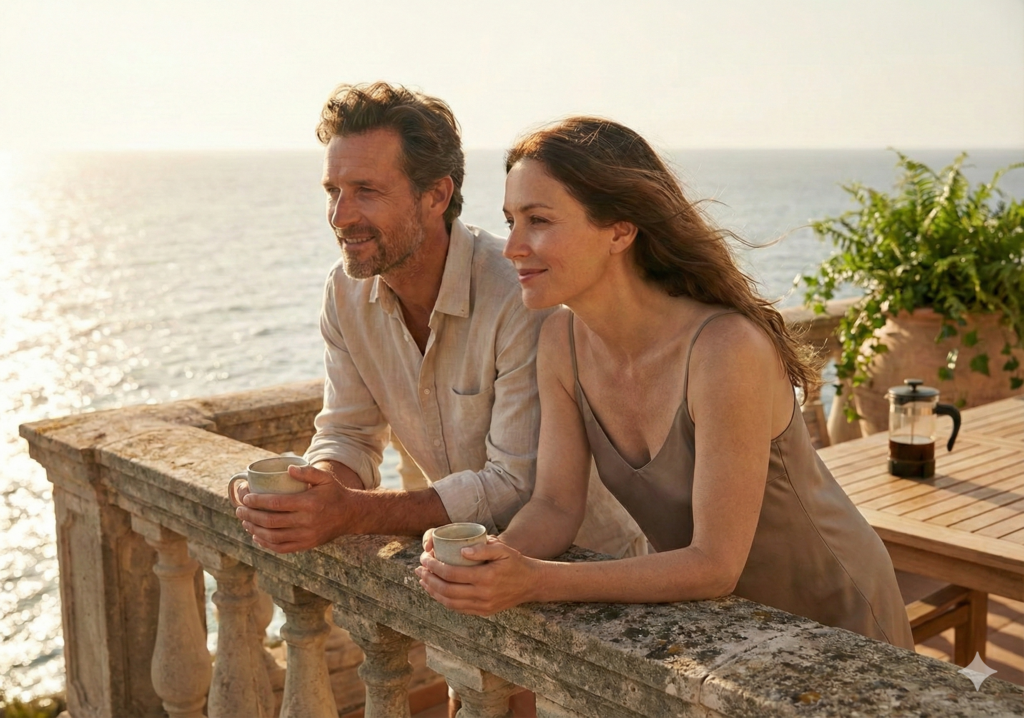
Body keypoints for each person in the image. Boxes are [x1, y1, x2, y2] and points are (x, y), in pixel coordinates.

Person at [416, 117, 916, 651]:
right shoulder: (562, 340)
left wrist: (535, 581)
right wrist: (492, 562)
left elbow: (714, 564)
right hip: (728, 628)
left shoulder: (726, 350)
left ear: (620, 230)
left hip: (836, 613)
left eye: (538, 220)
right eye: (510, 220)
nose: (512, 246)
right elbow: (557, 506)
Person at [232, 85, 644, 716]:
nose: (341, 214)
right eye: (332, 192)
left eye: (366, 190)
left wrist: (352, 514)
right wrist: (312, 492)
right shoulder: (345, 295)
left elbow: (516, 482)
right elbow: (346, 434)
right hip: (464, 586)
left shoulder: (521, 291)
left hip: (585, 592)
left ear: (436, 194)